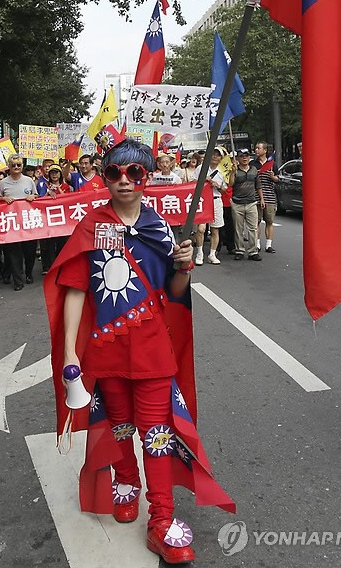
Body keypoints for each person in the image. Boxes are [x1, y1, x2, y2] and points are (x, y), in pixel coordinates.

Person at [45, 139, 235, 564]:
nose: (125, 181)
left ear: (147, 178)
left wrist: (183, 267)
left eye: (135, 173)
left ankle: (162, 520)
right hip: (105, 349)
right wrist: (71, 354)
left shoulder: (161, 228)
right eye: (115, 173)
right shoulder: (91, 226)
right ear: (104, 177)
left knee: (156, 432)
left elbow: (174, 292)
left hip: (151, 349)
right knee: (118, 425)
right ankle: (126, 482)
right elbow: (75, 289)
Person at [0, 154, 37, 290]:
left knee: (30, 251)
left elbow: (37, 197)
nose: (16, 167)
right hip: (11, 223)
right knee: (14, 253)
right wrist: (3, 199)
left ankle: (28, 273)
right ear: (9, 166)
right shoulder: (3, 183)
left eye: (18, 165)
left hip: (28, 221)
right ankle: (18, 280)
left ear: (22, 166)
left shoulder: (29, 181)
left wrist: (33, 196)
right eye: (13, 165)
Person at [194, 146, 227, 265]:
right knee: (201, 229)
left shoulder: (222, 172)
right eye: (213, 154)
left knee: (215, 229)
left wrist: (217, 185)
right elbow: (192, 183)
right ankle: (199, 253)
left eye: (217, 155)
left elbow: (224, 190)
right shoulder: (200, 168)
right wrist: (203, 180)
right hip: (203, 200)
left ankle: (212, 254)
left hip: (216, 200)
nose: (214, 156)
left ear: (221, 158)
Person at [229, 149, 265, 262]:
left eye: (246, 156)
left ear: (249, 157)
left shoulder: (254, 170)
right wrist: (232, 172)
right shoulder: (235, 170)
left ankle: (253, 251)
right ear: (238, 158)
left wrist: (262, 199)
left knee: (253, 228)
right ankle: (239, 250)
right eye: (241, 156)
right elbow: (230, 184)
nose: (244, 158)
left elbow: (258, 185)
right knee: (238, 229)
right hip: (237, 203)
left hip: (252, 202)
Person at [251, 141, 280, 253]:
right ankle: (257, 244)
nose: (256, 150)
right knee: (256, 221)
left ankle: (269, 244)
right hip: (256, 196)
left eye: (259, 148)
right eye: (256, 148)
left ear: (265, 150)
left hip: (270, 196)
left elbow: (278, 179)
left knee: (269, 221)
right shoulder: (253, 164)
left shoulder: (272, 164)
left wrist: (273, 177)